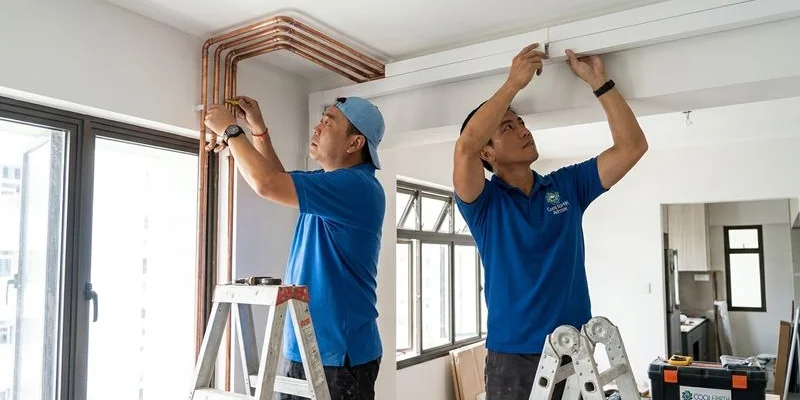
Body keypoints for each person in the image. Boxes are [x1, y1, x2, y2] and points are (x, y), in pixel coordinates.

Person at [452, 43, 648, 400]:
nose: (524, 130)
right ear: (487, 152)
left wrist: (600, 82)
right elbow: (464, 147)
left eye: (522, 122)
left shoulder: (567, 186)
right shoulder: (483, 204)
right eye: (508, 127)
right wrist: (513, 83)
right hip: (513, 358)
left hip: (575, 350)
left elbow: (632, 147)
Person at [204, 95, 386, 399]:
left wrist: (231, 132)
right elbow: (277, 179)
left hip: (339, 354)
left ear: (355, 143)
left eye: (329, 123)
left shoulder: (357, 187)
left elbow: (266, 184)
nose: (317, 128)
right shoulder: (332, 182)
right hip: (304, 344)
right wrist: (258, 131)